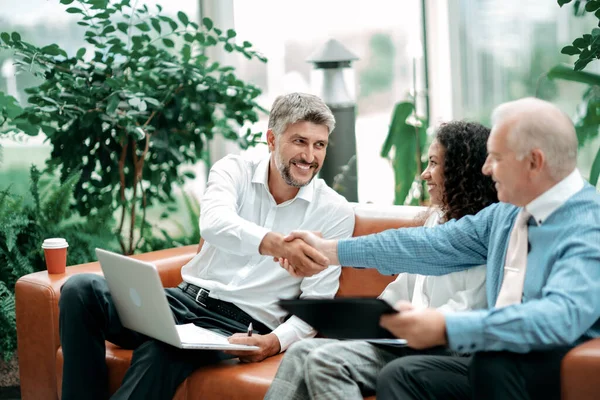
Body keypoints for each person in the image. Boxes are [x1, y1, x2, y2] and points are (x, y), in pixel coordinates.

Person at [280, 97, 600, 400]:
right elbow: (430, 245)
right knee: (403, 374)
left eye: (496, 157)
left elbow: (559, 316)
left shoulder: (587, 225)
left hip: (544, 367)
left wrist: (446, 326)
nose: (486, 168)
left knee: (468, 367)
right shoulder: (509, 213)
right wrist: (331, 250)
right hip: (490, 358)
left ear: (534, 161)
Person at [58, 92, 355, 400]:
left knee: (162, 352)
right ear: (271, 138)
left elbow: (318, 303)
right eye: (299, 141)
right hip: (179, 301)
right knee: (81, 289)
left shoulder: (334, 212)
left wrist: (274, 342)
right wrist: (277, 245)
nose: (310, 156)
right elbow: (214, 224)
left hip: (235, 326)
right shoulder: (234, 170)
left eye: (319, 145)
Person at [264, 121, 497, 400]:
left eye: (434, 163)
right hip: (405, 342)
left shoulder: (484, 233)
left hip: (443, 349)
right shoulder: (437, 219)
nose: (425, 174)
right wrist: (368, 319)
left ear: (461, 171)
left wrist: (411, 323)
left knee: (326, 361)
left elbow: (467, 310)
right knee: (302, 351)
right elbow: (404, 288)